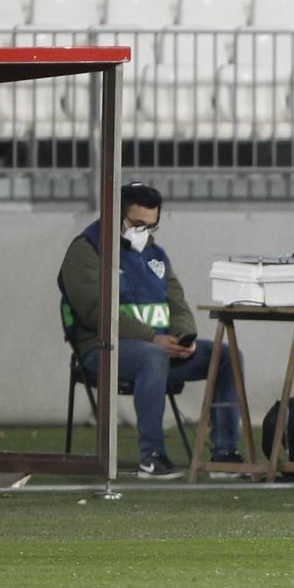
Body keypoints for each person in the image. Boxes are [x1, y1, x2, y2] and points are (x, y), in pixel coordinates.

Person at [57, 182, 243, 478]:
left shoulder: (155, 255)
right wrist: (153, 339)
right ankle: (152, 456)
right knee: (152, 356)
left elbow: (177, 301)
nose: (143, 232)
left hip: (160, 349)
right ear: (115, 215)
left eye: (151, 226)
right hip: (102, 350)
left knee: (225, 355)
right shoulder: (87, 250)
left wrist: (185, 338)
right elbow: (96, 312)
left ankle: (225, 453)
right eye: (137, 224)